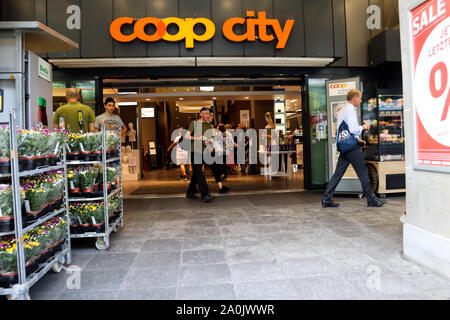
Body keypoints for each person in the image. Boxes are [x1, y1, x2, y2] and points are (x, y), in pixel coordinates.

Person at [322, 89, 387, 208]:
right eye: (360, 98)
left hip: (345, 146)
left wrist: (357, 140)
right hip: (352, 148)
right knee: (363, 172)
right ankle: (372, 200)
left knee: (338, 174)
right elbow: (352, 129)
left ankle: (326, 198)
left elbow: (345, 130)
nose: (361, 101)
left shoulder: (342, 110)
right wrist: (364, 126)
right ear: (355, 98)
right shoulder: (350, 110)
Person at [184, 107, 214, 202]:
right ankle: (205, 194)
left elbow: (212, 137)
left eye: (208, 113)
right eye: (205, 113)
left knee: (196, 173)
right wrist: (198, 138)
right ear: (200, 114)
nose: (207, 115)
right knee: (199, 173)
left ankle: (190, 192)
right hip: (194, 151)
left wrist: (210, 141)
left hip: (203, 151)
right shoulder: (194, 123)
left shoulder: (208, 125)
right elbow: (187, 136)